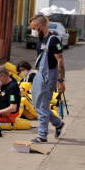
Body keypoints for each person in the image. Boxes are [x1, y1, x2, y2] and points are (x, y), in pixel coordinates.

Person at [29, 14, 65, 143]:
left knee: (43, 104)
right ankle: (57, 123)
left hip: (49, 76)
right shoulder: (41, 39)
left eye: (33, 28)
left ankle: (42, 135)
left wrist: (61, 81)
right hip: (40, 74)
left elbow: (60, 61)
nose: (32, 30)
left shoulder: (53, 40)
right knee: (37, 104)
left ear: (40, 26)